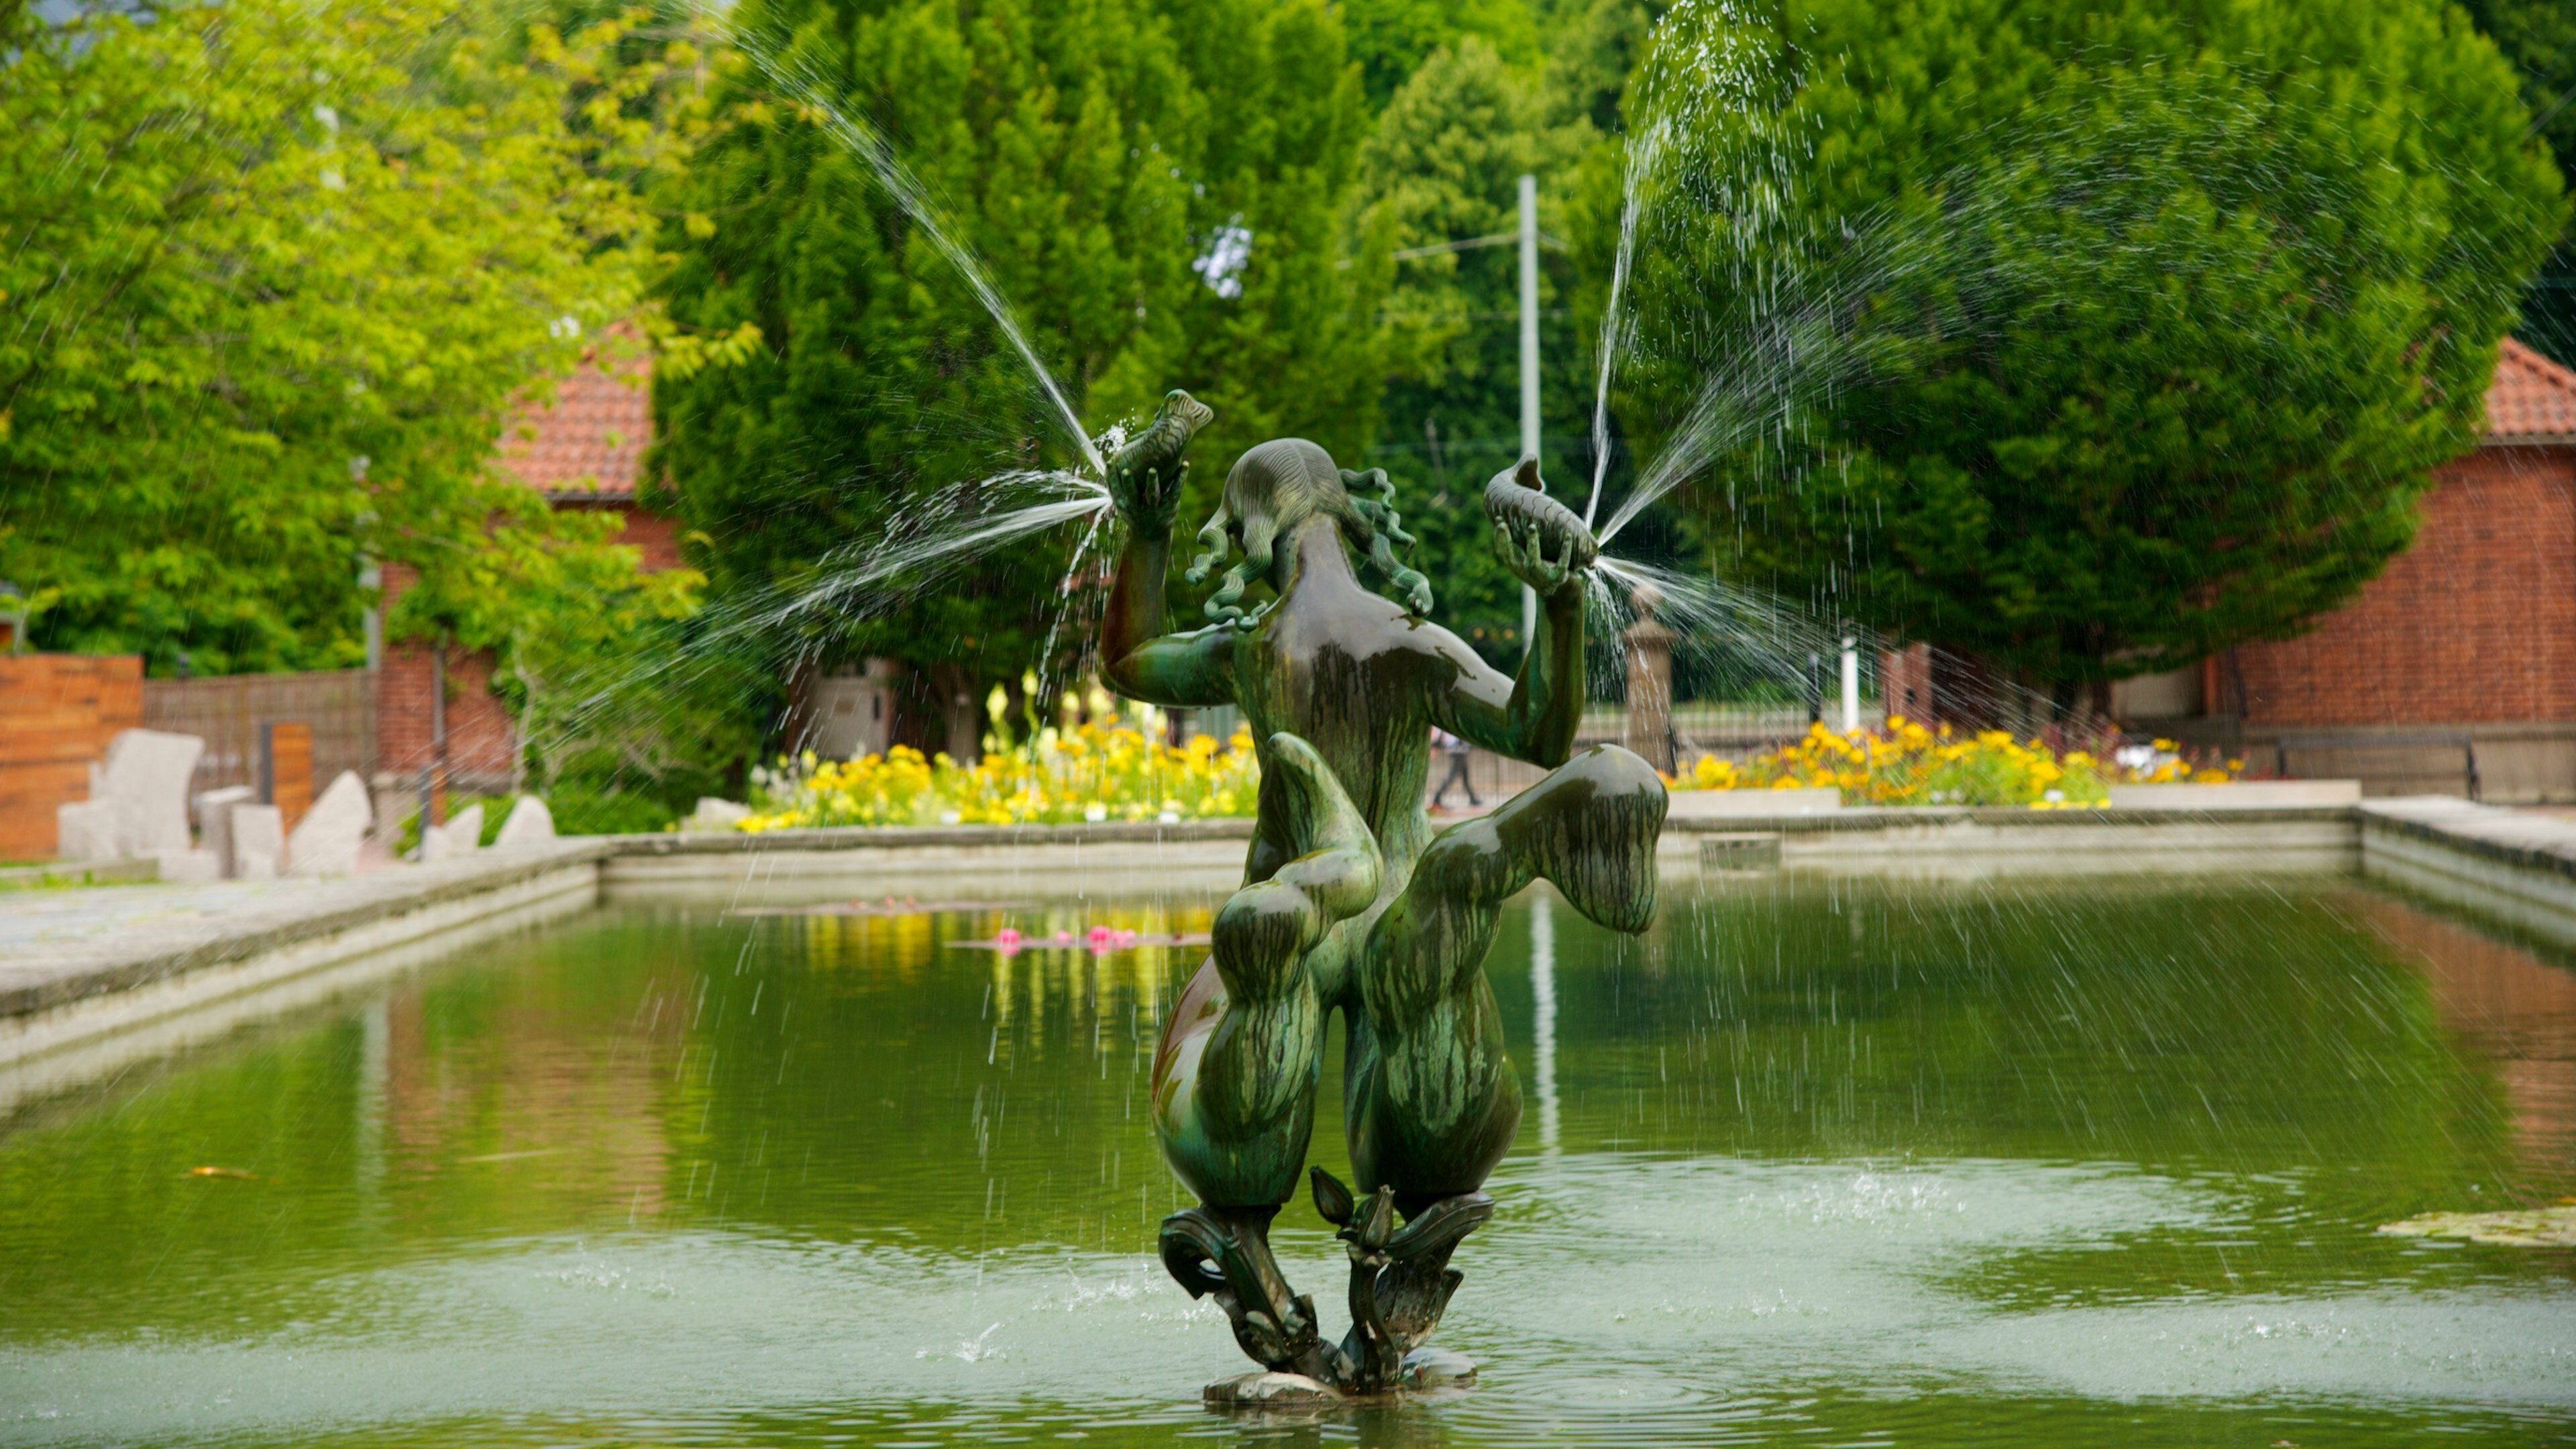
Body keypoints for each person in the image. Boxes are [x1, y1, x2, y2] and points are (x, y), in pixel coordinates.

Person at [1097, 405, 1664, 1385]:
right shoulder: (1413, 640)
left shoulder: (1250, 645)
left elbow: (1127, 663)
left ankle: (1271, 1295)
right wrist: (1561, 612)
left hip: (1304, 911)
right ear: (1352, 522)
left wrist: (1143, 535)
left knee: (1237, 1089)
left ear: (1256, 534)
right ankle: (1478, 866)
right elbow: (1536, 729)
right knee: (1430, 1090)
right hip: (1402, 912)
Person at [1429, 725, 1479, 810]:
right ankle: (1437, 798)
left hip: (1459, 748)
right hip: (1456, 749)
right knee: (1453, 774)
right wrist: (1435, 747)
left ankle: (1472, 798)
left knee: (1464, 774)